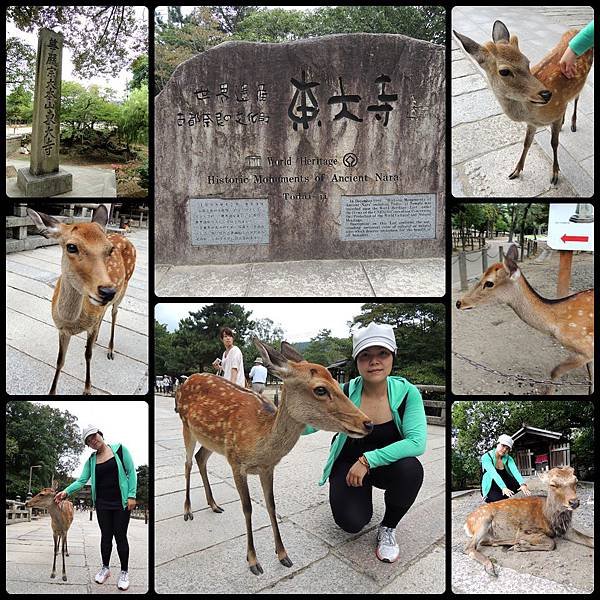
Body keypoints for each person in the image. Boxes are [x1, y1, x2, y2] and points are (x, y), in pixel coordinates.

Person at [304, 322, 426, 563]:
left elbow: (417, 442)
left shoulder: (407, 393)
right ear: (357, 361)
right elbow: (310, 422)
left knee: (411, 469)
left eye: (382, 353)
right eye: (365, 355)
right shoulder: (344, 392)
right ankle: (355, 493)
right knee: (351, 523)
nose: (374, 361)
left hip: (383, 465)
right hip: (348, 464)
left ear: (393, 356)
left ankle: (388, 527)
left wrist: (368, 460)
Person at [54, 425, 137, 590]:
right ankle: (105, 568)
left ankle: (124, 572)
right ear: (88, 446)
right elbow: (81, 480)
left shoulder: (120, 449)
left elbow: (131, 472)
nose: (93, 441)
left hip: (120, 502)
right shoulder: (91, 460)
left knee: (120, 537)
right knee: (105, 536)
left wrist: (132, 495)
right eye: (89, 441)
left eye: (94, 436)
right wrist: (65, 492)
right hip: (102, 503)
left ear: (100, 434)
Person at [481, 434, 531, 503]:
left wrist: (522, 484)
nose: (504, 449)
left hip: (505, 481)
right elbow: (494, 474)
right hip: (492, 485)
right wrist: (503, 487)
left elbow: (515, 472)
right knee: (499, 501)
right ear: (497, 444)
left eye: (507, 448)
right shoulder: (486, 457)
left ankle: (508, 493)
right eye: (503, 445)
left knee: (519, 487)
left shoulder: (508, 458)